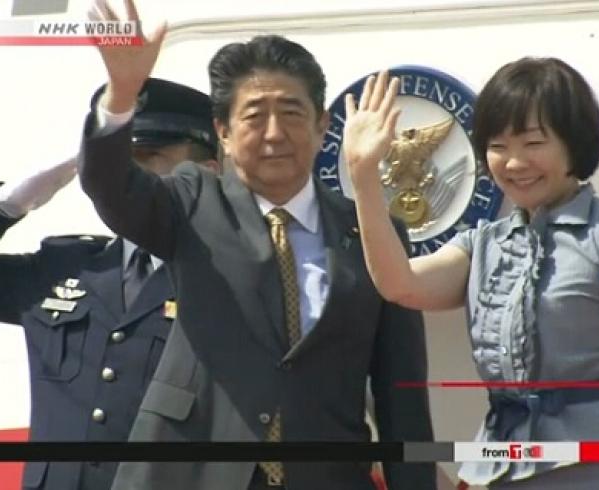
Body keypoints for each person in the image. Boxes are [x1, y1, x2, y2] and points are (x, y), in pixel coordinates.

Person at [78, 2, 435, 490]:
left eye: (291, 113)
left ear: (322, 126)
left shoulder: (374, 232)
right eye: (254, 116)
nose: (274, 134)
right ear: (223, 133)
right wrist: (121, 96)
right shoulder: (191, 201)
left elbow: (402, 395)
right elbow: (111, 185)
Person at [343, 62, 599, 489]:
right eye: (498, 146)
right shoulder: (484, 243)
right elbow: (400, 284)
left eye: (534, 143)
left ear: (574, 142)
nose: (515, 162)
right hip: (499, 470)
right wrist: (364, 176)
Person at [0, 78, 221, 490]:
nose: (125, 175)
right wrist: (8, 202)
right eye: (117, 161)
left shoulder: (229, 278)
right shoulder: (67, 268)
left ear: (207, 173)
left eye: (148, 155)